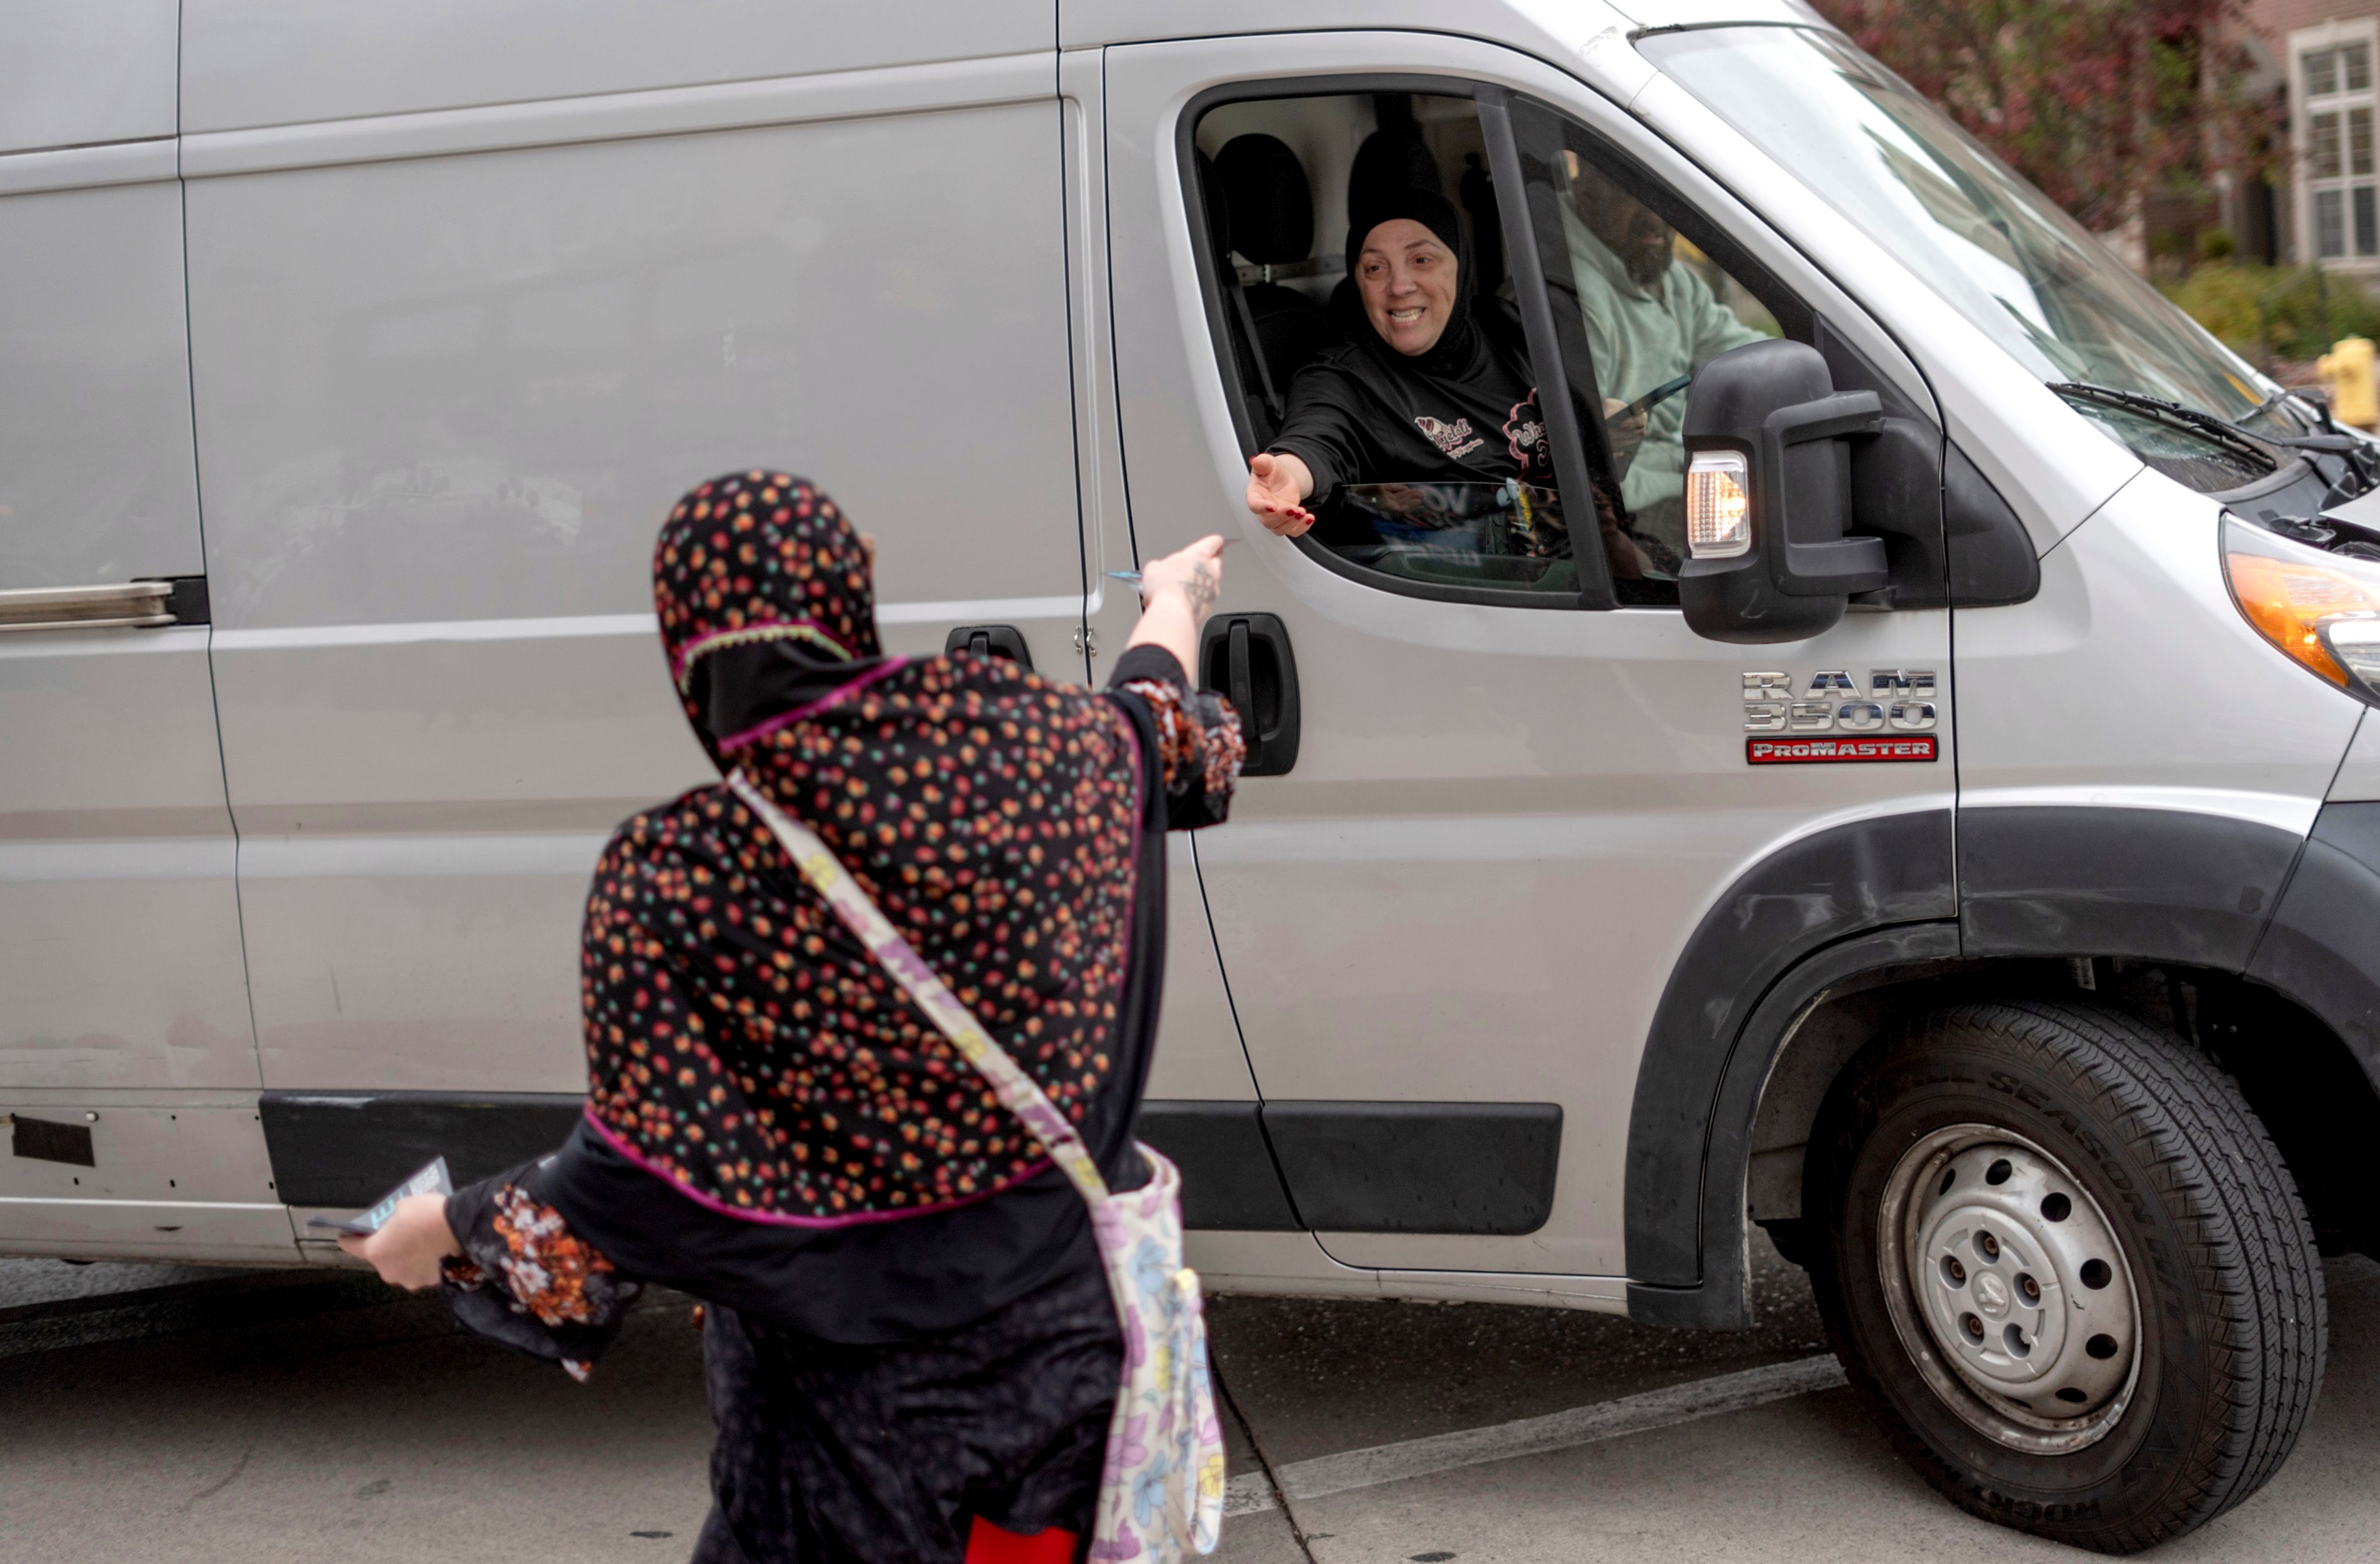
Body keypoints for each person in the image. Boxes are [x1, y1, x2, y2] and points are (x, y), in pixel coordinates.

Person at [342, 470, 1242, 1564]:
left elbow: (630, 1189)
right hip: (1060, 1391)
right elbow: (1163, 720)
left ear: (685, 644)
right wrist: (1177, 598)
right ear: (849, 594)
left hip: (842, 1443)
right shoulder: (1062, 751)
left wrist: (430, 1234)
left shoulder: (675, 870)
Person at [1243, 189, 1657, 576]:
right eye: (1375, 268)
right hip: (1474, 593)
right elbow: (1315, 438)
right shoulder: (1343, 378)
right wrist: (1288, 476)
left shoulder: (1504, 327)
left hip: (1584, 561)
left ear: (1461, 266)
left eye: (1421, 260)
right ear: (1358, 283)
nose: (1400, 286)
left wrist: (1598, 426)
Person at [1560, 156, 1767, 555]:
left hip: (1678, 469)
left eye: (1664, 198)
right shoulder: (1571, 298)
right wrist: (1692, 478)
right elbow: (1594, 479)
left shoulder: (1667, 278)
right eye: (1632, 195)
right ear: (1586, 190)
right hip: (1628, 513)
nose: (1654, 216)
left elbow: (1741, 350)